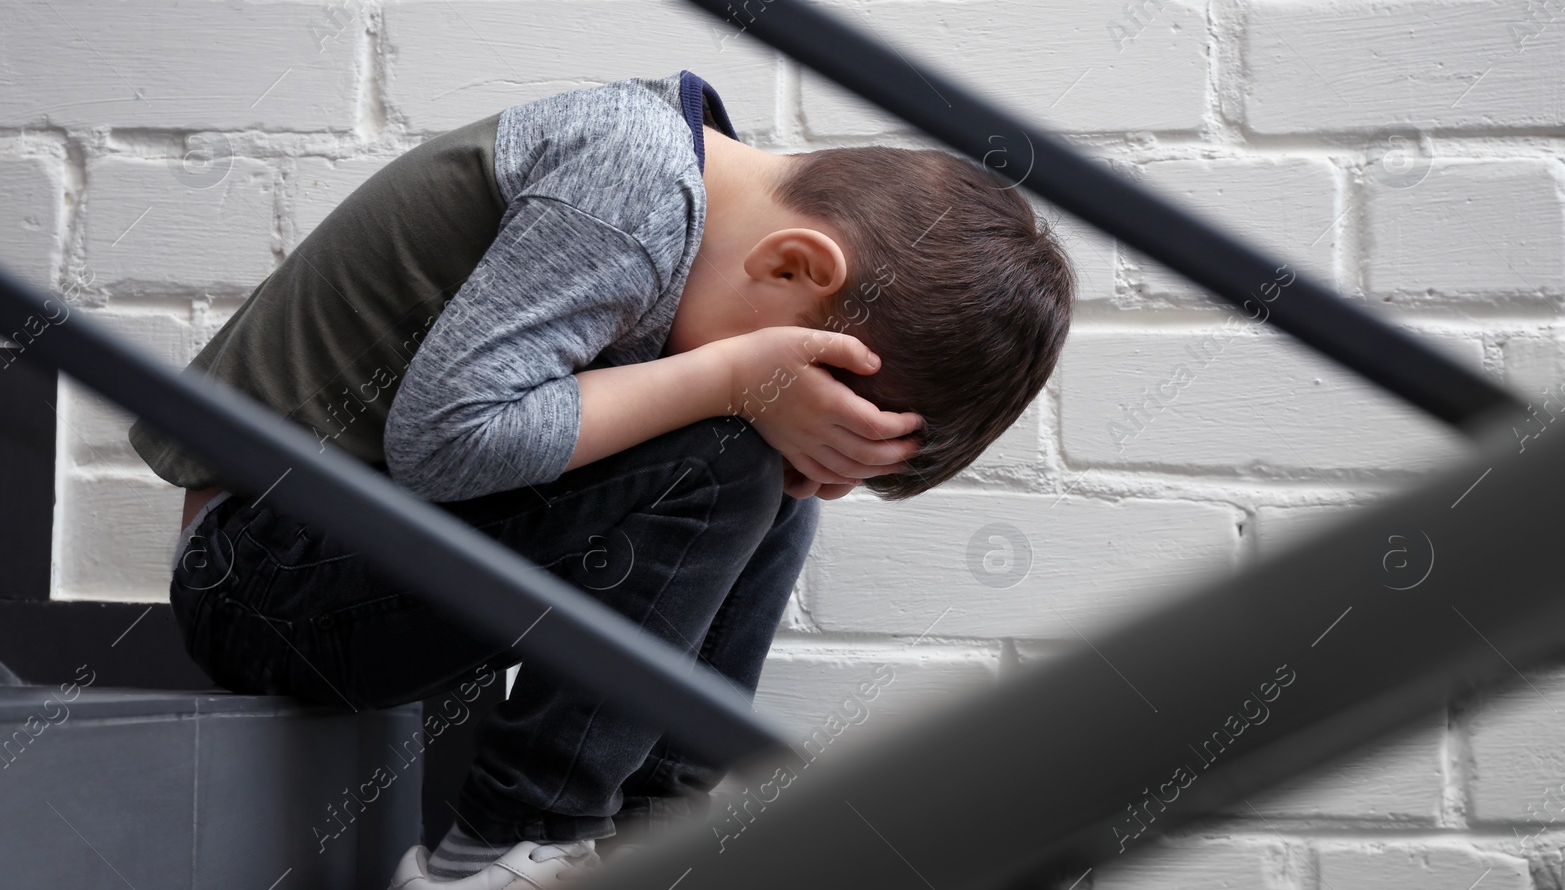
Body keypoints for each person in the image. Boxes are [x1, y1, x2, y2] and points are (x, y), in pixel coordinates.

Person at [129, 71, 1074, 888]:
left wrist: (773, 420)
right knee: (730, 449)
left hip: (356, 558)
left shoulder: (694, 204)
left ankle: (649, 838)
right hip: (257, 571)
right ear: (793, 264)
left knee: (759, 466)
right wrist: (737, 380)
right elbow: (447, 440)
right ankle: (511, 845)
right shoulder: (634, 184)